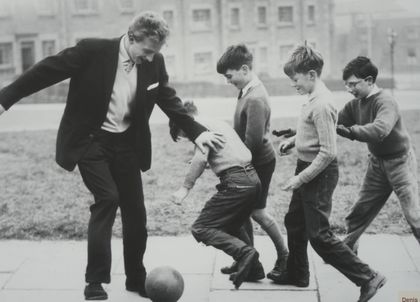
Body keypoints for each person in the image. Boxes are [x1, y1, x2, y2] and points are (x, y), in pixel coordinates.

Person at [0, 12, 224, 301]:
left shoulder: (154, 61)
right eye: (146, 50)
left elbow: (168, 98)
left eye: (155, 52)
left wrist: (197, 131)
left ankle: (136, 278)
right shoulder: (92, 51)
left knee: (135, 212)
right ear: (132, 38)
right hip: (91, 142)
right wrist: (5, 99)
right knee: (107, 199)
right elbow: (46, 70)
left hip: (127, 144)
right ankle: (95, 281)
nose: (149, 57)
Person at [275, 44, 386, 302]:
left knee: (320, 237)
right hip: (308, 167)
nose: (293, 84)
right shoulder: (314, 98)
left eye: (296, 79)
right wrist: (293, 142)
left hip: (319, 174)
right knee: (294, 222)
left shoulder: (323, 104)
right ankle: (298, 274)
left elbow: (328, 153)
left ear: (312, 75)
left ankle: (369, 277)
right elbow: (312, 132)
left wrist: (300, 178)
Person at [169, 101, 262, 289]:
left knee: (201, 228)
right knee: (232, 224)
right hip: (252, 179)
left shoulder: (199, 127)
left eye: (186, 135)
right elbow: (226, 151)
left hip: (237, 184)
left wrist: (185, 188)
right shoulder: (215, 122)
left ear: (185, 122)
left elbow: (201, 157)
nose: (190, 138)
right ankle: (254, 268)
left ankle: (245, 254)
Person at [216, 44, 289, 281]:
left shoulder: (256, 97)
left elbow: (253, 143)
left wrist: (230, 161)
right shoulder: (247, 89)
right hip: (249, 161)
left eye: (229, 76)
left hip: (258, 162)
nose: (228, 81)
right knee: (242, 213)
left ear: (244, 69)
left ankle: (285, 256)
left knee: (257, 213)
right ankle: (249, 262)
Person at [337, 56, 420, 252]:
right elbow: (329, 121)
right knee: (359, 212)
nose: (349, 89)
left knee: (413, 215)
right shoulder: (354, 104)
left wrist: (351, 132)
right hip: (377, 164)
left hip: (400, 163)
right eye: (346, 85)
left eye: (353, 84)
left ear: (369, 81)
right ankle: (346, 252)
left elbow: (380, 130)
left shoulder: (386, 102)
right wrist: (295, 132)